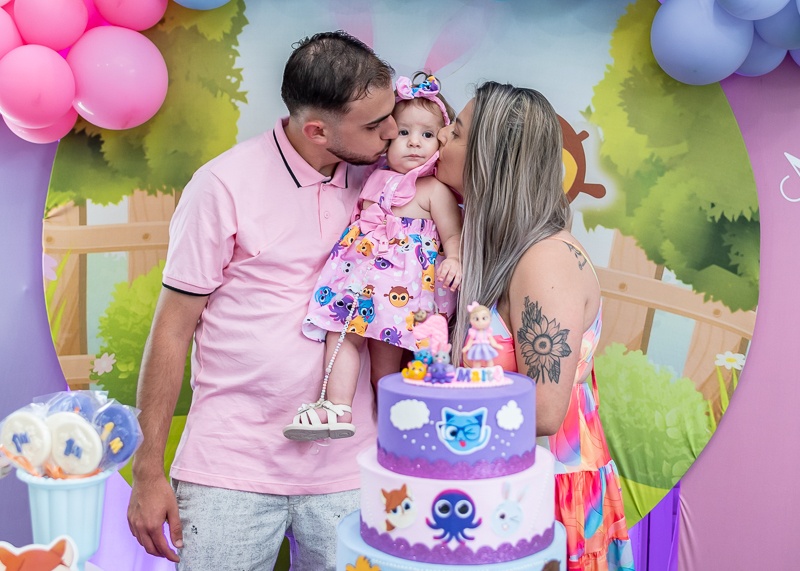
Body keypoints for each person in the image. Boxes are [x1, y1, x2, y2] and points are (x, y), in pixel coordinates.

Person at [126, 31, 398, 570]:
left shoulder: (386, 182)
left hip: (351, 468)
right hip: (230, 466)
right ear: (317, 131)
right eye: (374, 125)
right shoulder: (221, 186)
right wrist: (147, 471)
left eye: (391, 115)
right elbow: (172, 331)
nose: (392, 132)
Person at [436, 82, 634, 570]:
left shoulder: (545, 259)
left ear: (490, 160)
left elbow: (543, 412)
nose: (440, 136)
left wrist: (426, 419)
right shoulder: (502, 249)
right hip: (507, 488)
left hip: (545, 496)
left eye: (455, 132)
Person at [283, 74, 463, 442]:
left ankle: (398, 426)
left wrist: (455, 259)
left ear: (441, 142)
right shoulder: (372, 178)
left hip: (402, 293)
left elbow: (452, 235)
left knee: (391, 363)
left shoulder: (434, 190)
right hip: (360, 283)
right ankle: (338, 405)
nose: (414, 142)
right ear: (387, 137)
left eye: (427, 135)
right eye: (403, 133)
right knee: (342, 336)